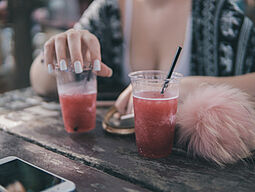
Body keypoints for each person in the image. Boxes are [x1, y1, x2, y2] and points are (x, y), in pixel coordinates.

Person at [30, 0, 255, 115]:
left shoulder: (224, 16)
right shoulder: (109, 9)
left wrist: (197, 88)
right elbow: (40, 82)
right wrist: (60, 53)